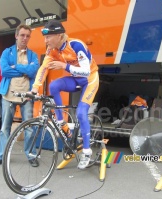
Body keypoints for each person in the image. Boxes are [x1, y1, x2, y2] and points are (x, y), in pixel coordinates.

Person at [31, 20, 99, 169]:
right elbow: (44, 68)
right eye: (45, 37)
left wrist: (64, 66)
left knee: (81, 113)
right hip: (76, 79)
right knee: (53, 85)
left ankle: (87, 152)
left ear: (59, 35)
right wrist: (35, 89)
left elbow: (86, 71)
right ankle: (62, 124)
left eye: (48, 37)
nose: (45, 40)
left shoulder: (76, 45)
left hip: (90, 79)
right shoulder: (52, 50)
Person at [0, 24, 40, 167]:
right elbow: (4, 71)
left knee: (29, 128)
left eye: (27, 36)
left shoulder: (33, 55)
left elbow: (33, 71)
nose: (25, 38)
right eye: (22, 35)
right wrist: (24, 70)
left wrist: (15, 67)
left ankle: (31, 155)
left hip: (27, 96)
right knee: (5, 128)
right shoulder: (7, 52)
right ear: (16, 36)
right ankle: (1, 156)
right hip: (8, 95)